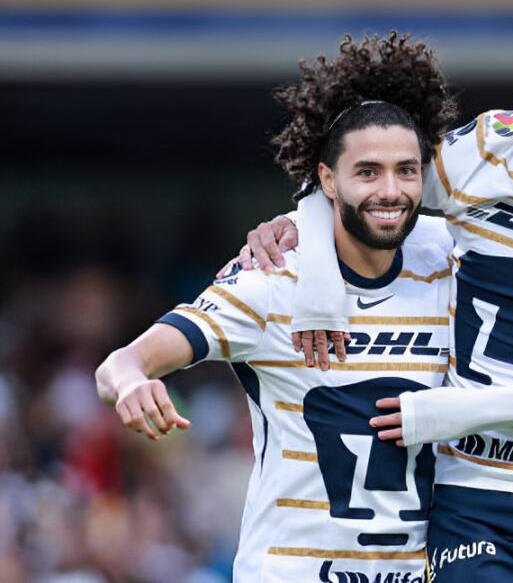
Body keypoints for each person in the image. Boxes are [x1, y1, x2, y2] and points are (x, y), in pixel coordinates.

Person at [247, 15, 513, 580]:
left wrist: (452, 413)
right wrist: (302, 238)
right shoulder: (483, 151)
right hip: (472, 498)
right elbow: (367, 182)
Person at [95, 33, 460, 581]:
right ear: (327, 180)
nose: (391, 190)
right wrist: (131, 383)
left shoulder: (449, 263)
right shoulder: (271, 280)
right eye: (368, 172)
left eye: (406, 171)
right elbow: (121, 361)